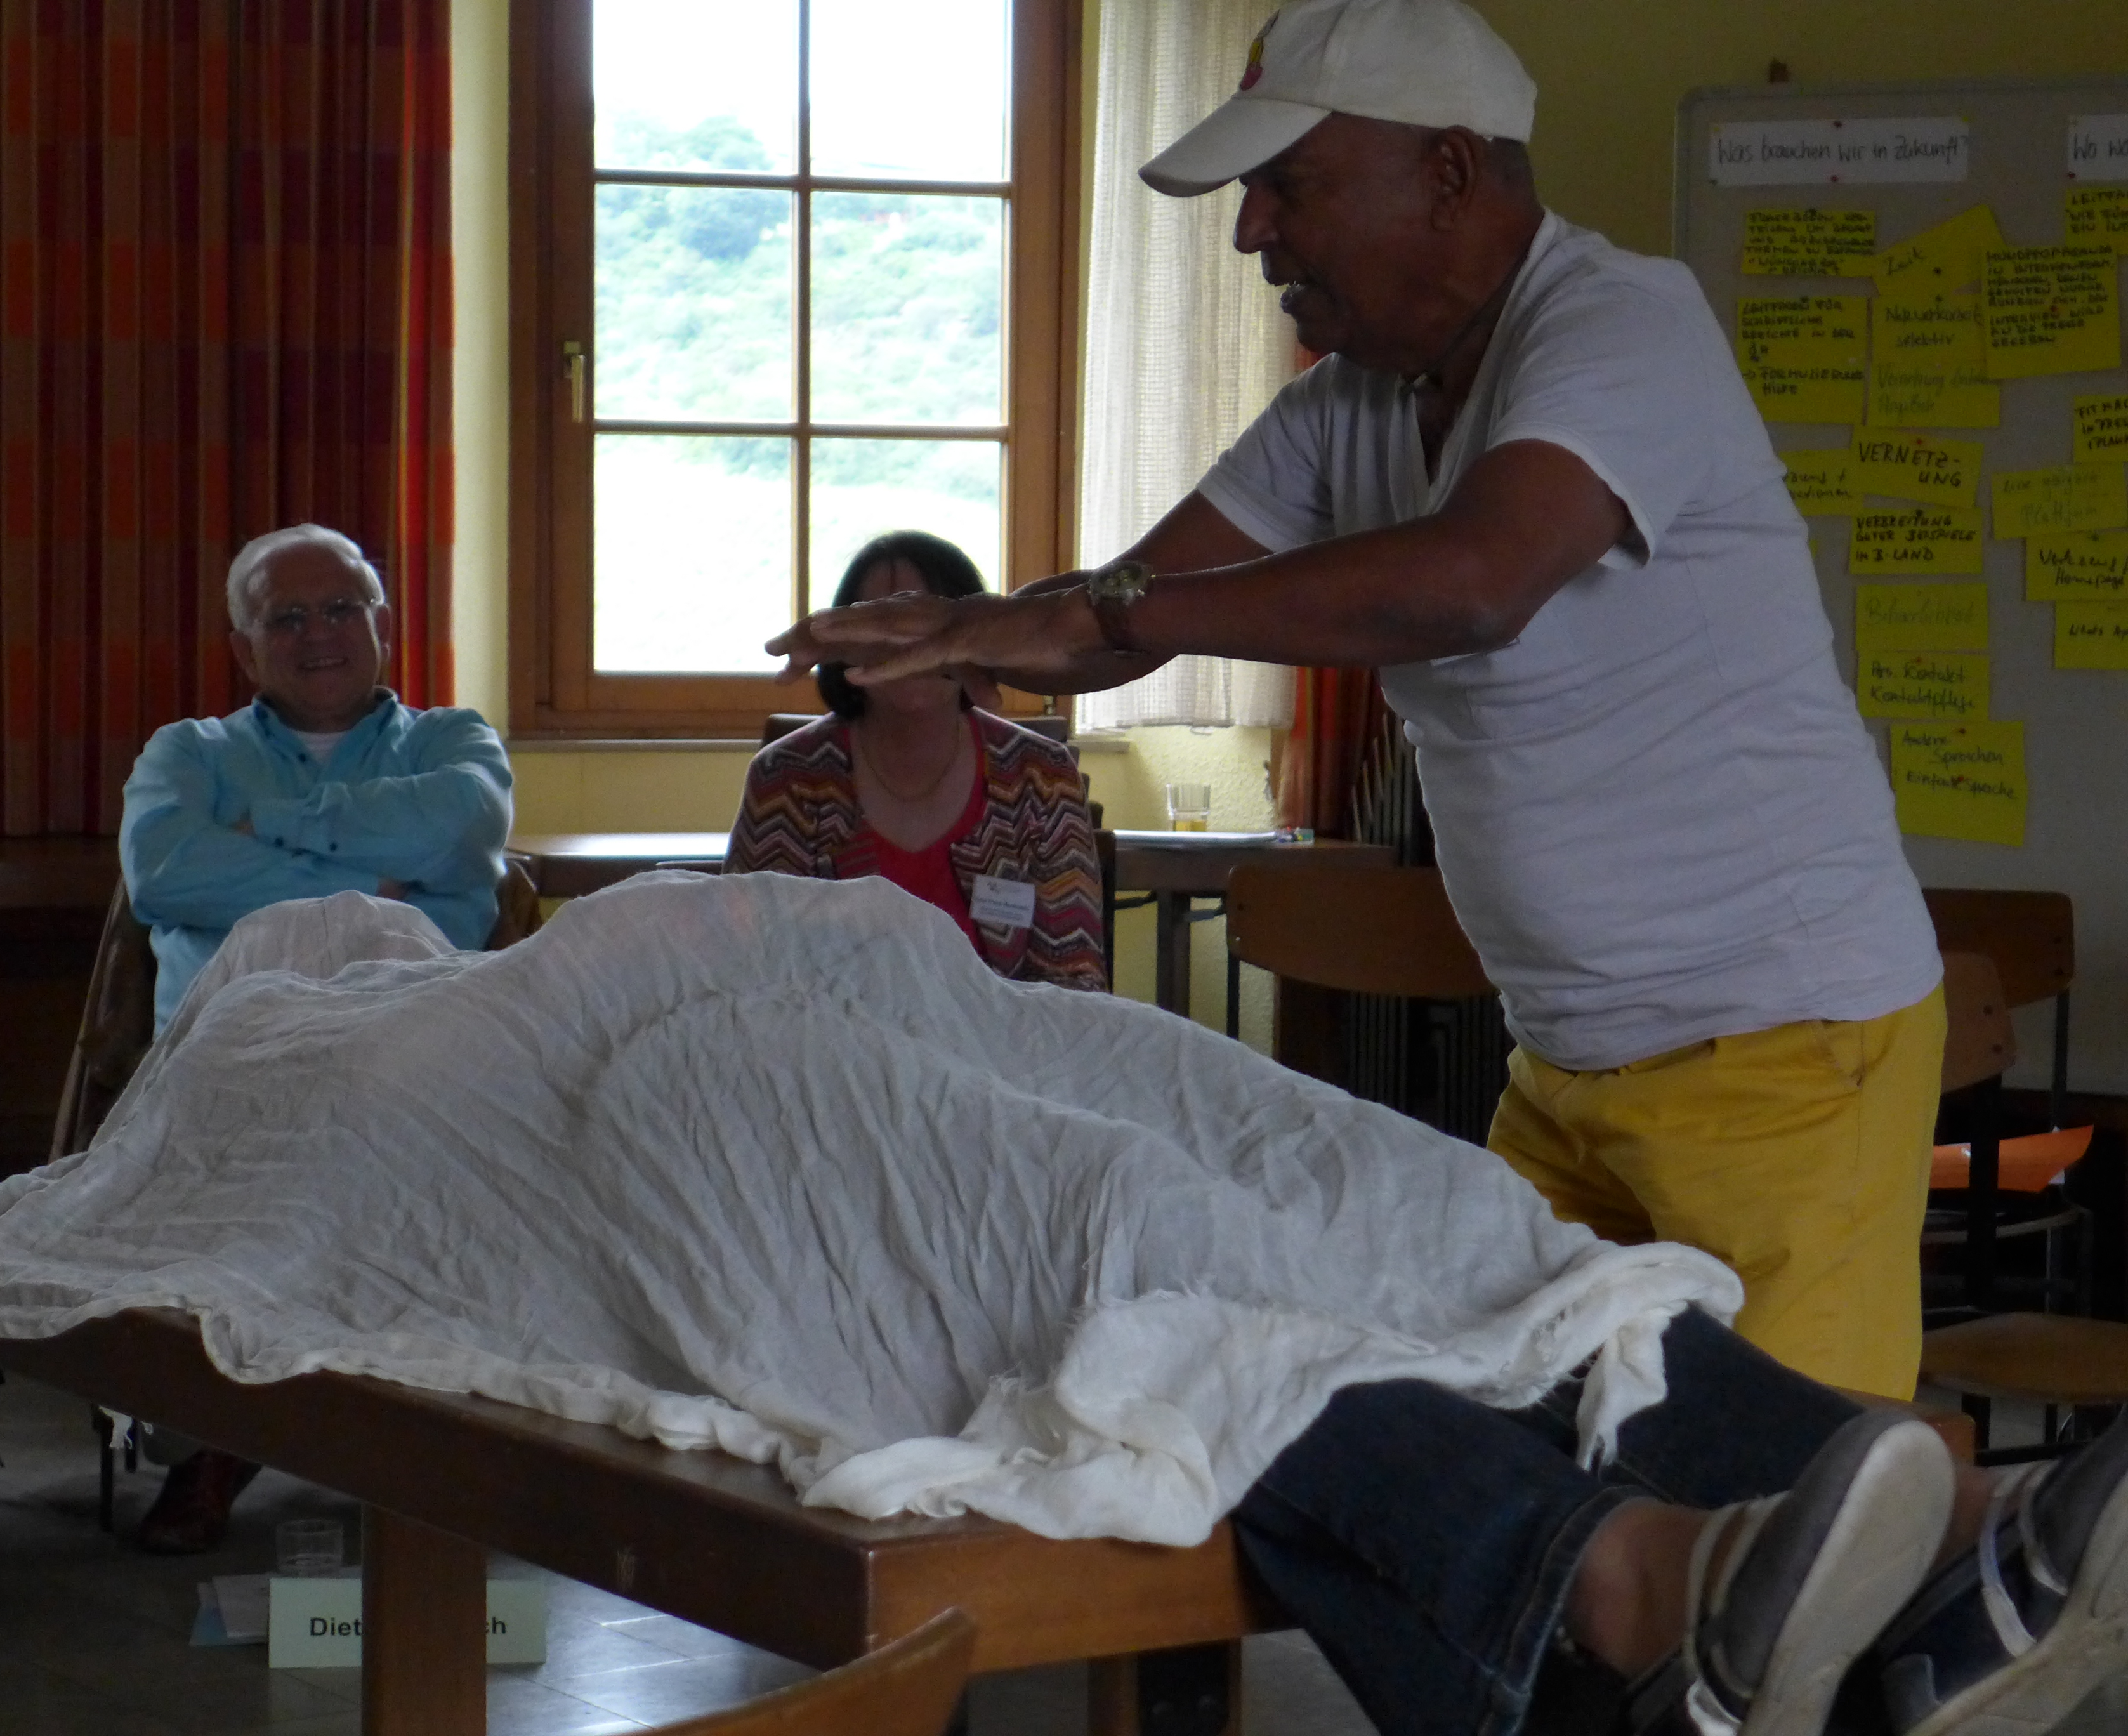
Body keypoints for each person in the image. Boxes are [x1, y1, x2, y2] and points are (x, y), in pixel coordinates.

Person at [0, 879, 2128, 1736]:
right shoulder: (292, 1051)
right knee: (1085, 1242)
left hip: (855, 1005)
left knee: (1319, 1169)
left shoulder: (491, 959)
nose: (369, 931)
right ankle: (1643, 1583)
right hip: (662, 1124)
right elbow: (273, 1193)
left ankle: (1888, 1551)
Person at [766, 0, 1945, 1402]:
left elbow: (1472, 583)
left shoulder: (1623, 325)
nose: (1252, 232)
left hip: (1782, 1045)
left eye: (1289, 184)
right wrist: (968, 634)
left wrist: (1095, 612)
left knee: (1796, 1490)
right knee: (1539, 1467)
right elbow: (1118, 620)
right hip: (1568, 1062)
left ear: (1447, 171)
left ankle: (1997, 1528)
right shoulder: (1353, 406)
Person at [117, 522, 513, 1551]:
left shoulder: (454, 743)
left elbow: (459, 828)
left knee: (422, 1119)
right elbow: (165, 870)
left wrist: (273, 829)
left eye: (341, 608)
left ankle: (398, 1427)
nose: (318, 633)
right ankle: (222, 1426)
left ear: (382, 622)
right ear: (244, 648)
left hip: (412, 1041)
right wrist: (375, 872)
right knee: (256, 1125)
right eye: (285, 617)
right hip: (233, 1047)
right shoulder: (188, 752)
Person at [726, 531, 1107, 992]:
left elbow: (1075, 986)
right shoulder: (788, 777)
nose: (909, 651)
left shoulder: (1042, 776)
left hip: (1004, 1037)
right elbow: (750, 973)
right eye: (882, 626)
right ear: (840, 646)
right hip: (826, 1035)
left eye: (928, 626)